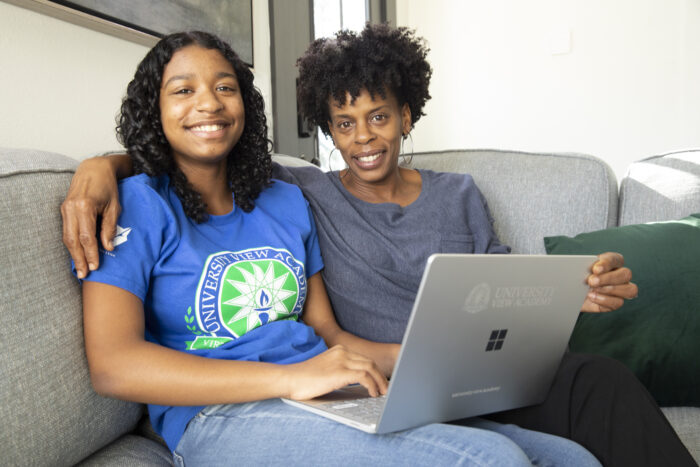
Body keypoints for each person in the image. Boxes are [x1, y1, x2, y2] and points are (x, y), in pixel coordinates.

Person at [61, 26, 695, 466]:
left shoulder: (280, 200)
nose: (209, 103)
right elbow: (113, 364)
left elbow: (332, 335)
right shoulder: (140, 202)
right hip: (233, 410)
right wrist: (100, 165)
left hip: (348, 387)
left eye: (225, 87)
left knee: (574, 458)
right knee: (493, 458)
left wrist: (562, 296)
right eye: (184, 90)